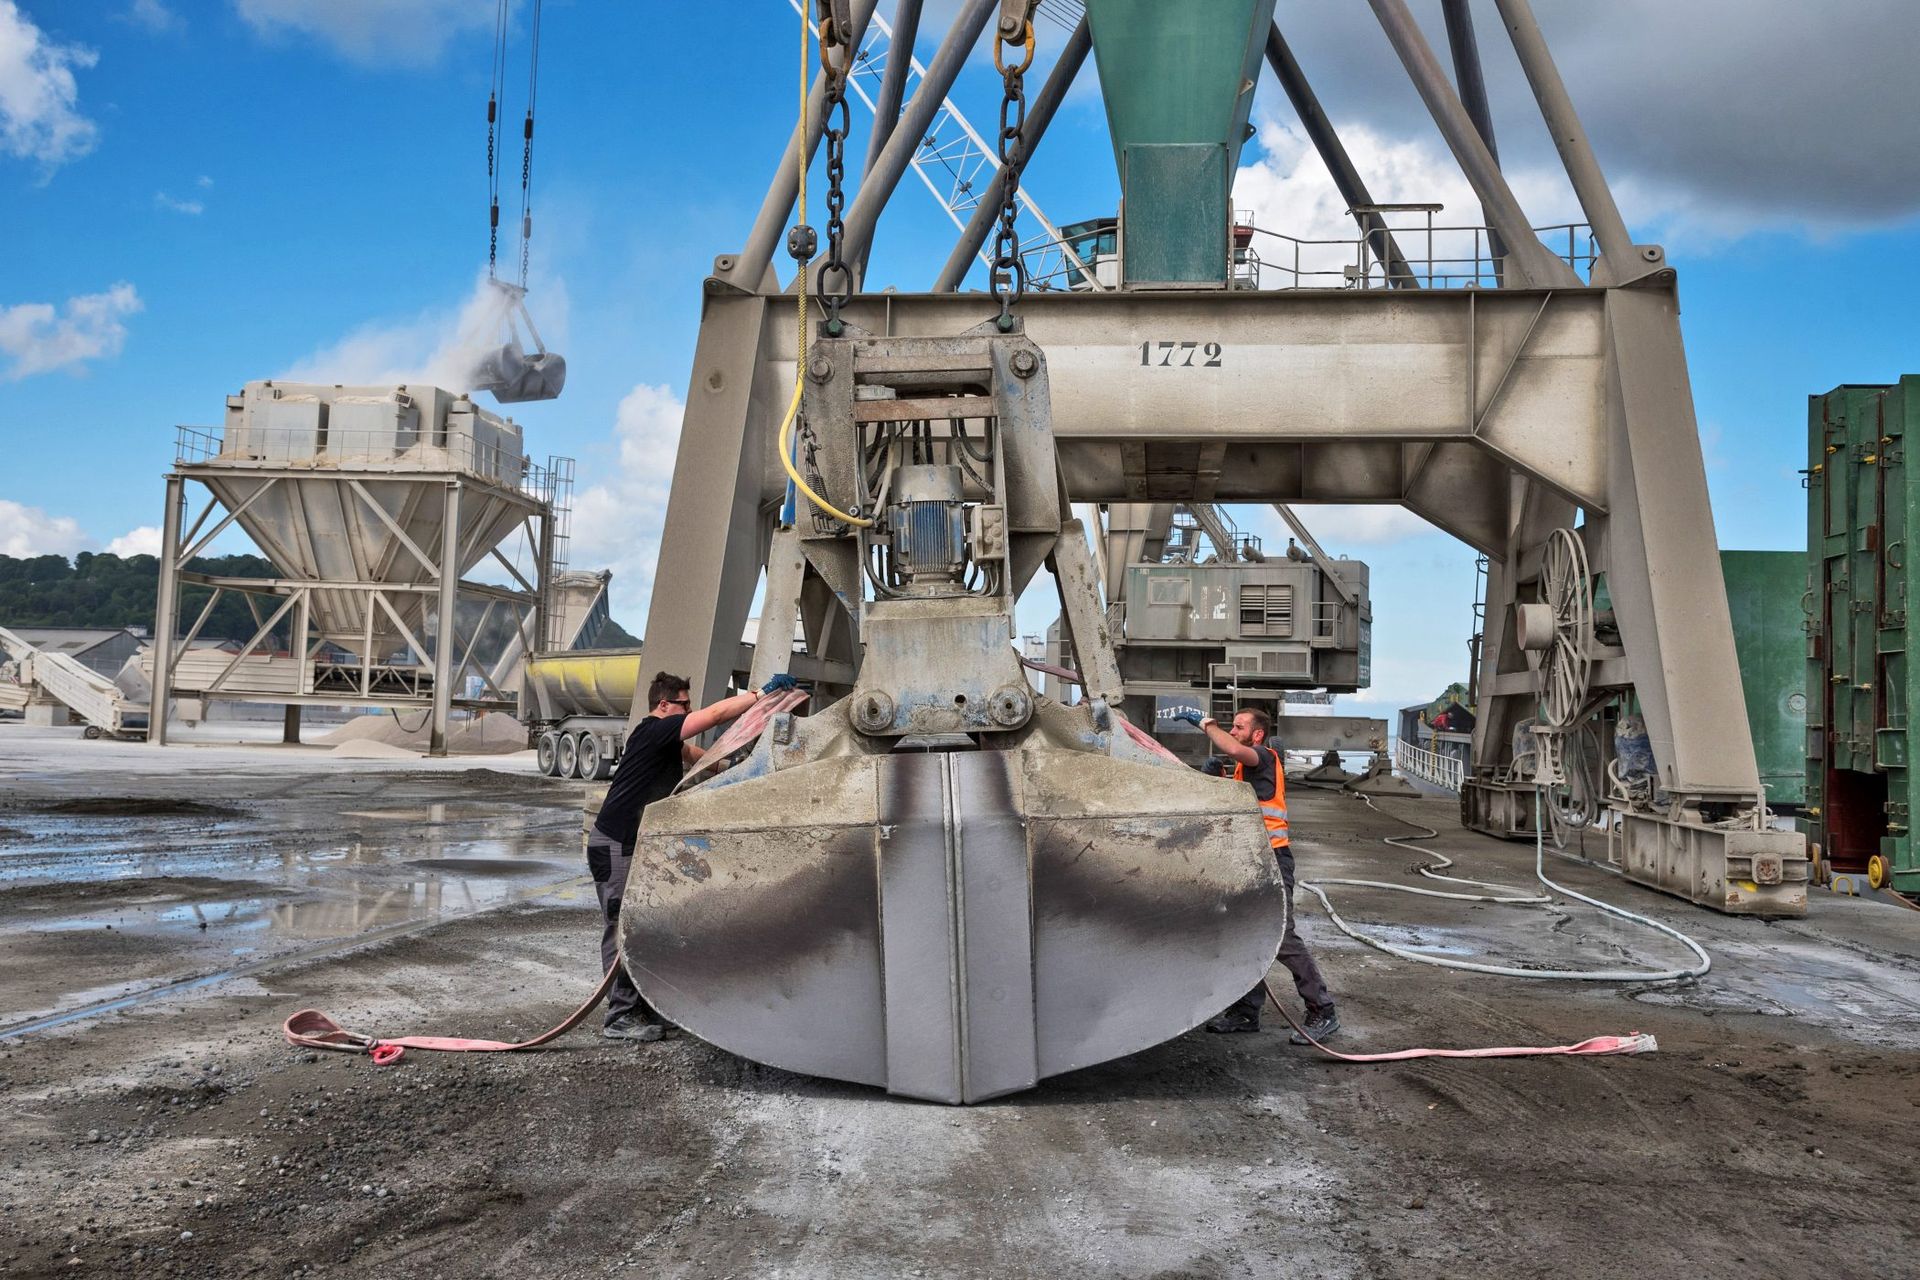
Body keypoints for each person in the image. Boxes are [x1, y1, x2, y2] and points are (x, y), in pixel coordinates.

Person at [586, 669, 798, 1041]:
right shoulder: (654, 729)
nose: (689, 710)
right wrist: (760, 694)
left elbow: (692, 755)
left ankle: (645, 1007)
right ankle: (619, 1016)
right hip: (615, 844)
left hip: (633, 843)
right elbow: (715, 715)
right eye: (683, 704)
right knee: (622, 927)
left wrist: (730, 767)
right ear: (664, 705)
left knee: (646, 924)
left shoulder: (661, 739)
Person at [1177, 705, 1339, 1042]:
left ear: (1258, 735)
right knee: (1243, 934)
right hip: (1251, 861)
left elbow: (1235, 749)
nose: (1233, 732)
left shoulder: (1262, 756)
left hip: (1273, 861)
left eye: (1239, 727)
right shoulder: (1243, 770)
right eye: (1231, 727)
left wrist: (1204, 723)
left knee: (1281, 937)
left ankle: (1322, 1010)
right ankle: (1246, 1012)